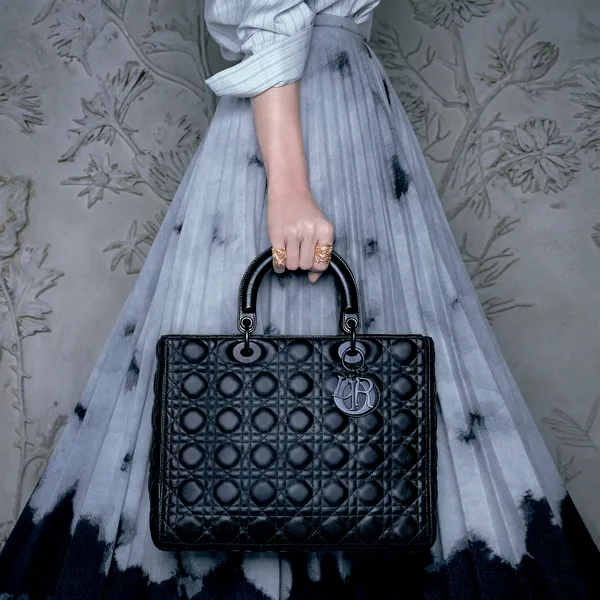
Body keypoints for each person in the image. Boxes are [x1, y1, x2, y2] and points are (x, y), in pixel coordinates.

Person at [0, 1, 598, 598]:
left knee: (361, 418)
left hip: (344, 113)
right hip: (304, 123)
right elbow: (267, 11)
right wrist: (287, 184)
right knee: (281, 407)